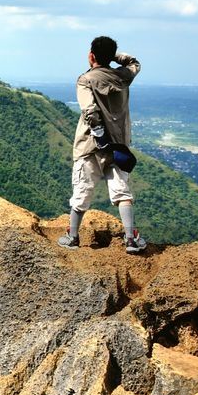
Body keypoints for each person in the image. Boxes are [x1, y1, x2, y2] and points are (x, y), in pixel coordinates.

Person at [58, 35, 145, 253]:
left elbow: (89, 111)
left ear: (91, 56)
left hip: (90, 146)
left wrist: (98, 134)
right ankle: (130, 239)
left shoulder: (85, 80)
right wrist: (112, 55)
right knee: (121, 192)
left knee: (81, 192)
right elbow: (134, 63)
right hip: (118, 146)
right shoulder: (123, 77)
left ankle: (73, 237)